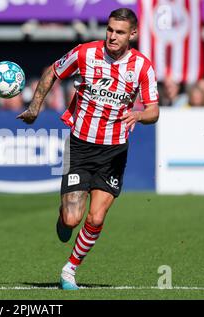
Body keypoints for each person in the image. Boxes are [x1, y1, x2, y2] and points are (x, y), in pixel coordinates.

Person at [17, 8, 159, 290]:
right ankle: (63, 218)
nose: (112, 36)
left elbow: (153, 111)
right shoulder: (85, 53)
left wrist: (139, 115)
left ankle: (69, 270)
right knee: (72, 219)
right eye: (109, 29)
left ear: (133, 34)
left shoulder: (142, 67)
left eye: (119, 32)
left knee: (96, 217)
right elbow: (52, 72)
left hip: (114, 152)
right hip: (80, 146)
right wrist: (35, 106)